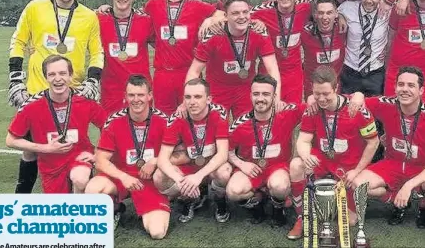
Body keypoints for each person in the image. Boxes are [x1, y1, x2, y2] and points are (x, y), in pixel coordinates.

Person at [8, 0, 104, 194]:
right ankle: (22, 196)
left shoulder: (89, 16)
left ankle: (76, 184)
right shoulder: (34, 8)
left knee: (73, 142)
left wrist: (93, 80)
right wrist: (15, 79)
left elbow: (97, 51)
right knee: (31, 149)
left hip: (73, 91)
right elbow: (18, 41)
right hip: (38, 89)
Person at [286, 66, 380, 239]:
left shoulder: (356, 109)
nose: (321, 99)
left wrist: (357, 170)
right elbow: (303, 140)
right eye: (317, 93)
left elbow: (373, 142)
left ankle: (327, 205)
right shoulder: (312, 109)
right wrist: (306, 155)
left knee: (351, 221)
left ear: (336, 89)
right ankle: (302, 216)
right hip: (322, 162)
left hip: (347, 168)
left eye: (326, 94)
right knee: (296, 165)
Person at [350, 66, 425, 227]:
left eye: (411, 86)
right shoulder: (387, 104)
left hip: (421, 167)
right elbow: (351, 101)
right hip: (393, 164)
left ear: (421, 90)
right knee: (357, 184)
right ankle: (396, 200)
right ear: (395, 87)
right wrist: (358, 94)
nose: (405, 89)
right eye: (401, 84)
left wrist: (409, 185)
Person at [84, 74, 170, 239]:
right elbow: (100, 160)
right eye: (131, 95)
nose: (136, 99)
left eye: (141, 95)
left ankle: (148, 209)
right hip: (120, 178)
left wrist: (156, 161)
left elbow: (179, 154)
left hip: (149, 181)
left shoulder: (164, 121)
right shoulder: (114, 122)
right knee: (93, 189)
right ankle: (115, 207)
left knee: (158, 233)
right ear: (125, 97)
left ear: (150, 96)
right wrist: (123, 177)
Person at [6, 55, 107, 194]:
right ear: (45, 77)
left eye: (62, 73)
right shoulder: (31, 106)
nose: (58, 78)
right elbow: (10, 140)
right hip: (51, 166)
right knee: (59, 210)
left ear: (70, 76)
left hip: (79, 158)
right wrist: (46, 148)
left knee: (80, 179)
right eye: (52, 74)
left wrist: (100, 155)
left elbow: (109, 128)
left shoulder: (85, 101)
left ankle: (80, 209)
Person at [139, 0, 224, 115]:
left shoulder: (198, 6)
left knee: (193, 118)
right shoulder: (152, 5)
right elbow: (135, 20)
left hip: (189, 72)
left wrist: (210, 19)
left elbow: (223, 14)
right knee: (165, 121)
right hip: (162, 75)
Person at [185, 0, 283, 118]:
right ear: (225, 16)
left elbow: (272, 68)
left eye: (245, 12)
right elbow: (194, 71)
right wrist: (188, 99)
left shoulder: (259, 32)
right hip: (218, 89)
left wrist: (277, 97)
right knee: (216, 129)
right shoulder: (213, 34)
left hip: (245, 89)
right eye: (235, 13)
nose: (241, 17)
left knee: (246, 130)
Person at [225, 74, 305, 227]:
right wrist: (241, 164)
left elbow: (314, 104)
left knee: (280, 186)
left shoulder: (286, 113)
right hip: (251, 169)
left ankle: (278, 210)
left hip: (277, 168)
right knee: (233, 191)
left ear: (274, 96)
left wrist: (356, 97)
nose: (260, 99)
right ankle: (257, 205)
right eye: (256, 94)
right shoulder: (240, 124)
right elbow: (226, 150)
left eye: (266, 94)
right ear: (250, 95)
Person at [153, 78, 232, 223]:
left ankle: (220, 200)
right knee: (159, 177)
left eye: (197, 97)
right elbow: (163, 159)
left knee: (225, 171)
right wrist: (181, 181)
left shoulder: (219, 113)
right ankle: (189, 197)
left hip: (210, 164)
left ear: (208, 99)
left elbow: (222, 154)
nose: (192, 101)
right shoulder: (177, 118)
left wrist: (198, 176)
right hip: (188, 167)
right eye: (188, 97)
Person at [251, 0, 312, 104]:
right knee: (268, 114)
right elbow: (235, 14)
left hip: (293, 74)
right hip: (267, 72)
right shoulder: (260, 11)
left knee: (290, 114)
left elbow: (328, 9)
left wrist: (340, 17)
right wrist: (214, 17)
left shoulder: (306, 7)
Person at [98, 0, 153, 114]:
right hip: (111, 94)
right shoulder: (98, 19)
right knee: (111, 133)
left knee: (141, 134)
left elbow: (165, 46)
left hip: (139, 91)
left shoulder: (146, 21)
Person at [338, 0, 390, 96]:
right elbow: (333, 11)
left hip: (375, 72)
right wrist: (340, 16)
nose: (369, 0)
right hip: (350, 71)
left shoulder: (388, 11)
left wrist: (388, 47)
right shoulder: (347, 7)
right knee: (348, 112)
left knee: (374, 112)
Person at [301, 0, 347, 100]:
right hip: (313, 90)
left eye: (329, 13)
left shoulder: (342, 29)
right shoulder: (305, 31)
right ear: (315, 14)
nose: (325, 17)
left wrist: (342, 16)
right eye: (321, 13)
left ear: (336, 14)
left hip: (336, 88)